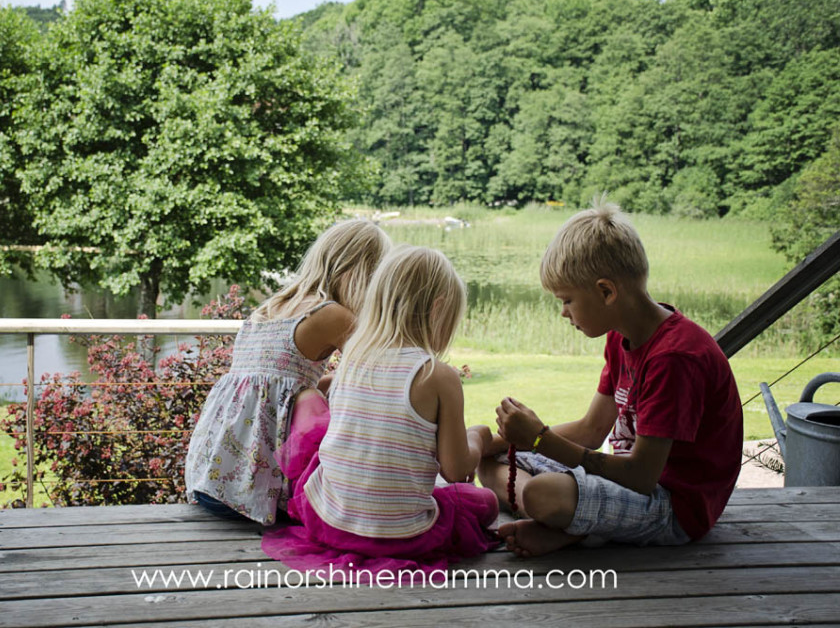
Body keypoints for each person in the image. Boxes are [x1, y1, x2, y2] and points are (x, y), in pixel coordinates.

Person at [477, 199, 743, 557]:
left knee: (542, 495)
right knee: (492, 464)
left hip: (674, 506)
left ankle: (570, 526)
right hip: (624, 480)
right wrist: (501, 441)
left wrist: (539, 439)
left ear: (606, 291)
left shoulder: (674, 358)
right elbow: (591, 430)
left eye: (568, 300)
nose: (563, 312)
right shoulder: (621, 337)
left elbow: (642, 476)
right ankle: (568, 524)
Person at [262, 245, 499, 575]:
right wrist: (478, 439)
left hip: (328, 522)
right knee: (485, 502)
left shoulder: (353, 360)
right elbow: (457, 471)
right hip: (404, 538)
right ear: (439, 308)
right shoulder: (437, 375)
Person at [185, 219, 391, 524]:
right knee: (315, 400)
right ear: (364, 274)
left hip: (210, 483)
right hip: (251, 496)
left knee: (310, 394)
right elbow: (382, 375)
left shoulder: (269, 308)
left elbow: (277, 390)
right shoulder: (331, 314)